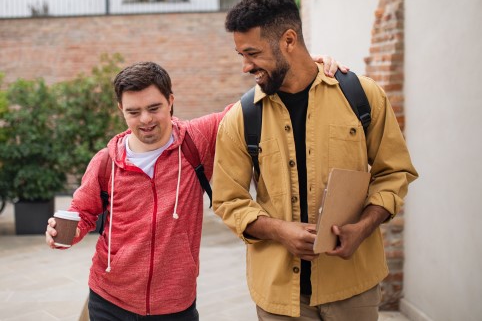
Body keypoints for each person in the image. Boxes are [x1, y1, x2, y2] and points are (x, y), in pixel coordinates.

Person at [45, 58, 343, 319]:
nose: (145, 120)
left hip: (175, 303)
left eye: (154, 108)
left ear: (171, 100)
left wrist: (306, 68)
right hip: (109, 298)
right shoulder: (106, 161)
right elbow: (82, 213)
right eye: (134, 112)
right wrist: (62, 235)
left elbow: (250, 104)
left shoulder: (195, 140)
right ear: (121, 109)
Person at [212, 0, 418, 321]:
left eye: (252, 53)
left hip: (353, 286)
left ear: (288, 41)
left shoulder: (362, 96)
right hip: (279, 296)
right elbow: (228, 200)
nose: (246, 67)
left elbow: (394, 174)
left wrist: (363, 227)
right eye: (242, 56)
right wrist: (280, 230)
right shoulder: (241, 118)